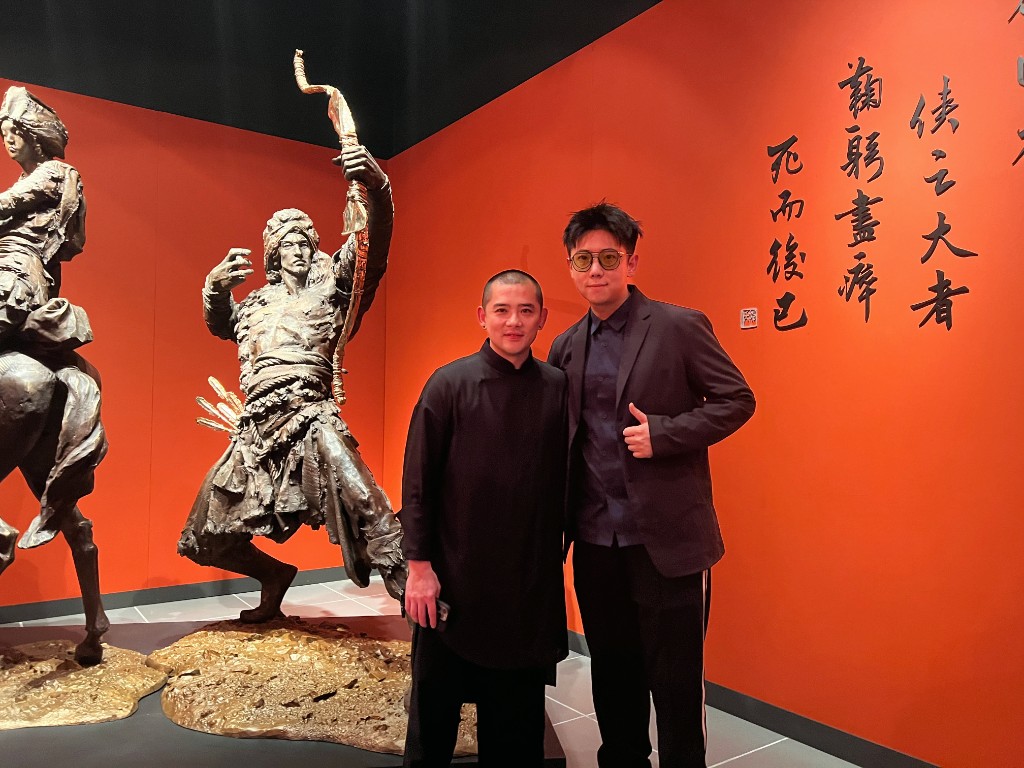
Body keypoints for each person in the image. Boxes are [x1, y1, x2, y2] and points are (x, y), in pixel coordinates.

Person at [548, 202, 756, 768]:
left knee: (677, 683)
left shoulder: (678, 326)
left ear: (631, 262)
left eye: (608, 258)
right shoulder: (565, 346)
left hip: (667, 542)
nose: (596, 270)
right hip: (595, 541)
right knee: (613, 674)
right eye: (583, 259)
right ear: (571, 267)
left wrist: (665, 434)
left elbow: (738, 400)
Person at [177, 144, 405, 620]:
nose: (298, 251)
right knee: (203, 539)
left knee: (367, 503)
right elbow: (222, 324)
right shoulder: (256, 303)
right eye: (288, 244)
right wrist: (213, 289)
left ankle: (406, 582)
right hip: (255, 428)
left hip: (309, 414)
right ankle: (274, 575)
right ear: (274, 254)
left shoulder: (333, 291)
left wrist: (378, 187)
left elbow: (373, 247)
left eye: (305, 242)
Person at [399, 270, 568, 767]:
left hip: (526, 588)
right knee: (433, 725)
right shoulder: (448, 384)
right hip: (453, 581)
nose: (514, 321)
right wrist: (419, 569)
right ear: (482, 316)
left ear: (542, 319)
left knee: (516, 732)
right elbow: (417, 484)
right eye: (502, 310)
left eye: (526, 311)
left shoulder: (558, 387)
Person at [0, 85, 90, 352]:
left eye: (16, 132)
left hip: (16, 269)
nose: (9, 141)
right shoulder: (24, 179)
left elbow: (8, 202)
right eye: (4, 135)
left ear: (33, 136)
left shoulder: (53, 171)